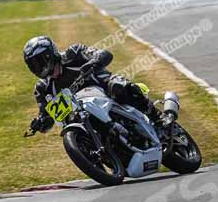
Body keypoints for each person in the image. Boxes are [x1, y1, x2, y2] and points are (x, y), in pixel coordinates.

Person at [23, 35, 165, 134]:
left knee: (118, 86)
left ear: (50, 54)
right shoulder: (42, 88)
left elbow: (104, 54)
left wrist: (93, 62)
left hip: (105, 89)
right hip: (84, 112)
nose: (38, 67)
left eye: (40, 61)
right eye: (33, 64)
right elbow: (46, 116)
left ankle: (158, 118)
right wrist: (40, 122)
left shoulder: (74, 53)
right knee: (73, 124)